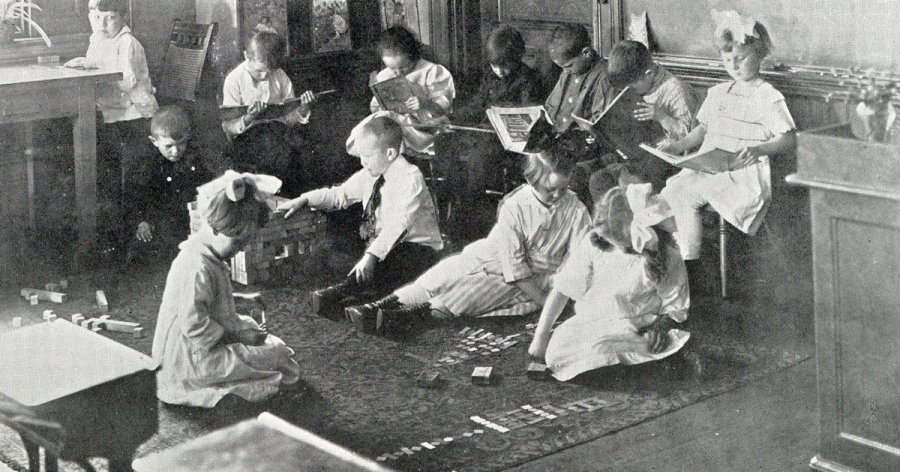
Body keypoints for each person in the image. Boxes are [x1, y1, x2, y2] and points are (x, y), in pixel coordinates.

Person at [344, 146, 590, 335]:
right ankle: (380, 305)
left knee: (473, 292)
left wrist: (550, 303)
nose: (558, 196)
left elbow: (576, 259)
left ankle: (409, 317)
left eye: (563, 188)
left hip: (532, 276)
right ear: (531, 181)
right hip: (494, 255)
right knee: (447, 270)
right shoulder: (515, 206)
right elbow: (511, 256)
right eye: (550, 190)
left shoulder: (576, 209)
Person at [658, 13, 796, 286]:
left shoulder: (767, 96)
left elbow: (789, 139)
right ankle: (683, 260)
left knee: (688, 194)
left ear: (760, 55)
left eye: (741, 58)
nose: (733, 65)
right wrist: (679, 146)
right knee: (673, 189)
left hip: (743, 172)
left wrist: (759, 149)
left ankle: (692, 269)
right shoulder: (719, 92)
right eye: (726, 59)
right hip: (712, 167)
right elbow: (703, 129)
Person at [152, 171, 301, 407]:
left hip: (200, 346)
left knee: (259, 335)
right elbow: (194, 325)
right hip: (192, 358)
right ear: (213, 228)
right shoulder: (196, 266)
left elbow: (209, 300)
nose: (240, 249)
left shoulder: (205, 254)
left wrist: (242, 299)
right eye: (237, 242)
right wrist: (237, 336)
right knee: (277, 353)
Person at [277, 114, 443, 316]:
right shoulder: (370, 173)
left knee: (392, 258)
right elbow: (339, 195)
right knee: (348, 251)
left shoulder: (410, 177)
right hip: (382, 247)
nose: (362, 162)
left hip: (418, 249)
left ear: (390, 153)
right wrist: (305, 198)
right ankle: (360, 292)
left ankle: (360, 296)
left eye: (367, 155)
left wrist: (371, 255)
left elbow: (398, 227)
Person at [527, 182, 694, 381]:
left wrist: (659, 328)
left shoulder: (666, 254)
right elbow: (562, 289)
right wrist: (540, 337)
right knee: (557, 350)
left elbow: (676, 306)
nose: (616, 246)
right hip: (593, 319)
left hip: (637, 324)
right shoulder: (593, 242)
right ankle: (638, 365)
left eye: (618, 239)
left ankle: (653, 361)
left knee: (600, 347)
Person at [435, 24, 545, 240]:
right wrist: (450, 118)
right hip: (482, 133)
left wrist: (500, 120)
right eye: (495, 66)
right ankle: (451, 197)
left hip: (505, 140)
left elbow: (527, 115)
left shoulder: (528, 79)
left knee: (479, 158)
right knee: (445, 142)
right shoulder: (489, 75)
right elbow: (477, 105)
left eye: (505, 66)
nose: (499, 71)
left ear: (518, 57)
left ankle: (467, 212)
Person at [65, 0, 159, 250]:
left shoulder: (127, 42)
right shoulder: (96, 39)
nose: (103, 24)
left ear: (123, 17)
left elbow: (127, 80)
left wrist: (95, 67)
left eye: (110, 18)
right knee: (111, 172)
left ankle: (138, 226)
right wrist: (84, 64)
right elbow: (92, 62)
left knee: (134, 173)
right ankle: (117, 231)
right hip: (112, 113)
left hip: (134, 115)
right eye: (97, 18)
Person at [221, 31, 317, 194]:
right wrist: (249, 117)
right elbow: (228, 127)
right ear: (246, 56)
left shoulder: (279, 75)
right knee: (276, 159)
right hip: (248, 137)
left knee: (304, 156)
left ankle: (296, 204)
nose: (265, 76)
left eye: (270, 71)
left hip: (279, 132)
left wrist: (303, 108)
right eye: (259, 71)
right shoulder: (234, 79)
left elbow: (288, 118)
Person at [601, 40, 701, 190]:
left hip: (668, 161)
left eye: (632, 88)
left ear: (648, 74)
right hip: (638, 155)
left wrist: (662, 117)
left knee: (618, 182)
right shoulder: (638, 84)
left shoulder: (676, 89)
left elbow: (690, 138)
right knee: (600, 179)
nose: (630, 93)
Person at [121, 105, 213, 263]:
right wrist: (141, 221)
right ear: (154, 142)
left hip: (187, 218)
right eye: (169, 146)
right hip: (156, 220)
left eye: (181, 144)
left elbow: (205, 183)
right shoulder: (148, 166)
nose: (176, 151)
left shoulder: (193, 158)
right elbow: (135, 197)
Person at [541, 23, 615, 206]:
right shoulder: (568, 73)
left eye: (568, 66)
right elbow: (551, 108)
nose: (565, 71)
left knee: (559, 179)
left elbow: (601, 126)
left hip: (586, 151)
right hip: (560, 144)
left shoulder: (604, 76)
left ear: (587, 53)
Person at [369, 26, 455, 155]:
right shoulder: (384, 76)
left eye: (403, 67)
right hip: (394, 128)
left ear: (413, 56)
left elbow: (445, 107)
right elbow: (375, 106)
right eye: (392, 68)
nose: (398, 72)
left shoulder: (432, 71)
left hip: (426, 129)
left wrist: (425, 103)